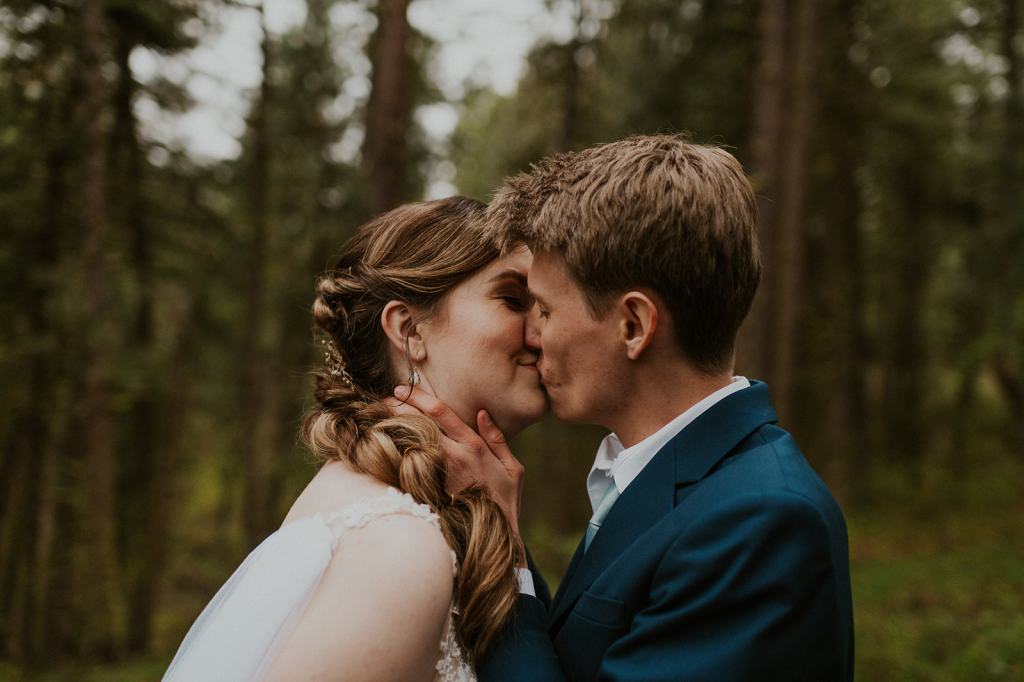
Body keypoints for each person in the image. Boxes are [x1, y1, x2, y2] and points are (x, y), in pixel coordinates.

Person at [394, 135, 855, 681]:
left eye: (543, 308)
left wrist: (502, 553)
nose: (532, 336)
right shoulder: (656, 476)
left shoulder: (763, 521)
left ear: (633, 326)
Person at [164, 196, 548, 681]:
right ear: (409, 330)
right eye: (514, 300)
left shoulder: (414, 513)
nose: (542, 333)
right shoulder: (398, 545)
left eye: (545, 307)